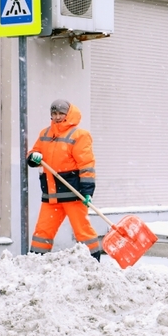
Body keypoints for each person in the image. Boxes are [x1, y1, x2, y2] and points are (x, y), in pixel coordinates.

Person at [27, 99, 102, 261]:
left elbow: (86, 165)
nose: (57, 117)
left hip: (73, 193)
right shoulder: (45, 134)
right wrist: (33, 157)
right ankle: (34, 262)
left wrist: (87, 191)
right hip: (51, 194)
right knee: (42, 232)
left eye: (61, 113)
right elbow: (34, 154)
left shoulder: (79, 135)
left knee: (83, 232)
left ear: (68, 114)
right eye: (54, 113)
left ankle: (94, 263)